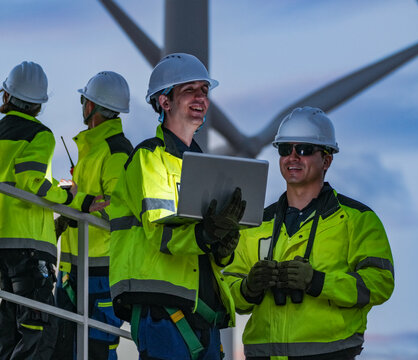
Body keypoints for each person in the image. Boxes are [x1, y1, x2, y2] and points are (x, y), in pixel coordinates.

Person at [224, 106, 395, 360]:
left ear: (326, 160)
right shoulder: (255, 223)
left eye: (303, 149)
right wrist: (248, 288)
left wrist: (318, 282)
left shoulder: (358, 220)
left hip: (329, 354)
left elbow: (380, 283)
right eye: (285, 149)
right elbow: (227, 287)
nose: (292, 157)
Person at [108, 53, 245, 360]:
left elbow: (204, 248)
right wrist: (208, 233)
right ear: (164, 101)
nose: (200, 98)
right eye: (189, 90)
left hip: (203, 313)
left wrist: (223, 246)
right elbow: (162, 235)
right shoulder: (149, 158)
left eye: (204, 91)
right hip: (163, 312)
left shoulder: (204, 167)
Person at [0, 61, 107, 359]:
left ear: (7, 96)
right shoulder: (40, 134)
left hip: (4, 244)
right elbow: (30, 179)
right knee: (38, 326)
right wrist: (75, 198)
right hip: (30, 245)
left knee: (9, 321)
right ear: (38, 106)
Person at [53, 71, 133, 360]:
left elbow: (116, 207)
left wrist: (76, 203)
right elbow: (90, 200)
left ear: (92, 106)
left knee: (96, 348)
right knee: (65, 346)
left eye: (84, 99)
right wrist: (73, 204)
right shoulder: (94, 149)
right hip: (75, 269)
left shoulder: (115, 152)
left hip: (100, 272)